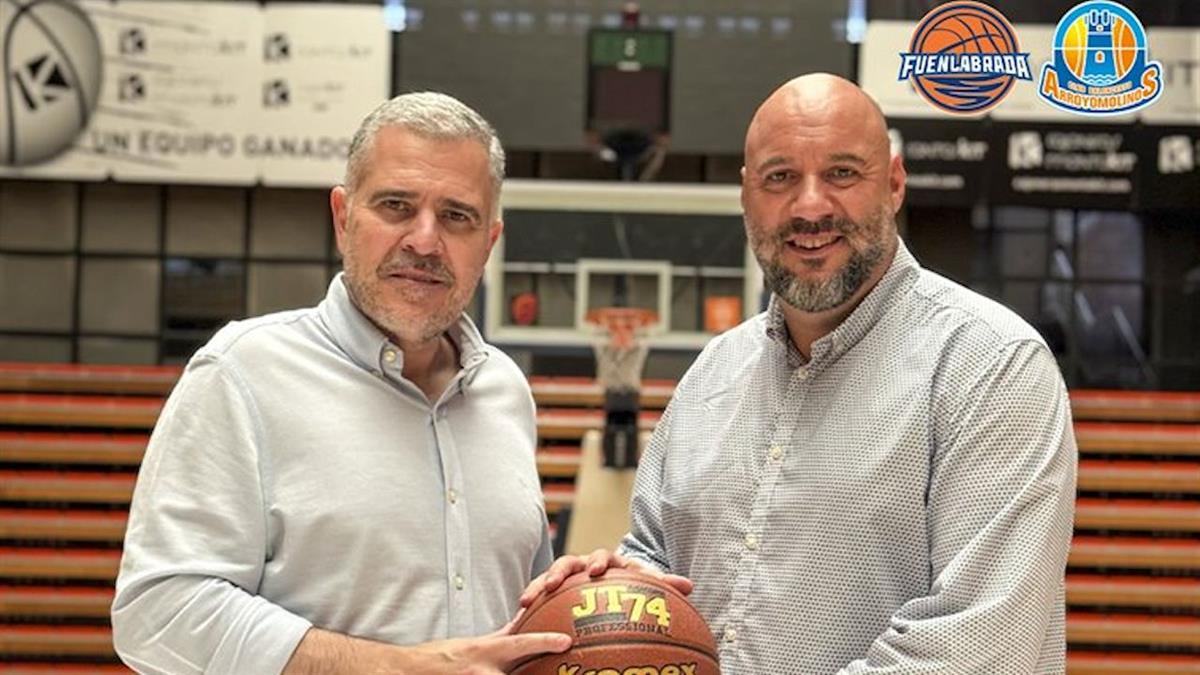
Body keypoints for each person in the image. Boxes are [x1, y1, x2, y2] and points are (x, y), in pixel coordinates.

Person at [523, 73, 1078, 674]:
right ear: (746, 194)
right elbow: (657, 561)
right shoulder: (713, 374)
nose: (810, 207)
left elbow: (974, 650)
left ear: (893, 184)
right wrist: (605, 596)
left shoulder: (990, 366)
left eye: (842, 173)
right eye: (780, 177)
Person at [111, 92, 570, 675]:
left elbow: (519, 618)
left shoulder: (504, 390)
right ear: (342, 217)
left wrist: (580, 596)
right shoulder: (242, 373)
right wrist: (395, 667)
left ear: (489, 241)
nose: (425, 241)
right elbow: (158, 613)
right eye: (397, 206)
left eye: (457, 216)